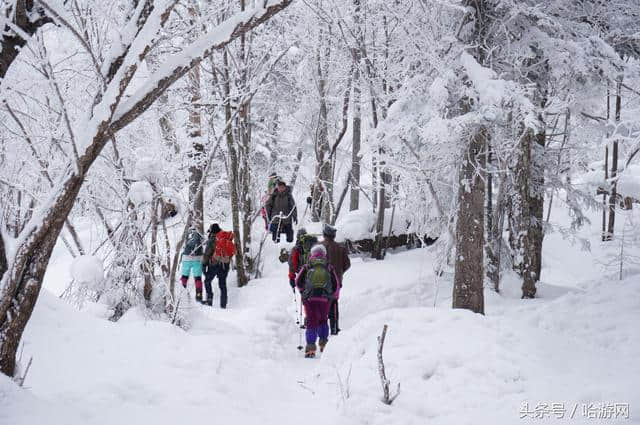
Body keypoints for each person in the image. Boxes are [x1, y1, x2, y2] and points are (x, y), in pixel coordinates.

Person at [295, 245, 339, 358]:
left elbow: (298, 281)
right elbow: (336, 284)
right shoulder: (328, 267)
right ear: (324, 254)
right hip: (325, 299)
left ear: (312, 253)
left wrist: (303, 292)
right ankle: (324, 344)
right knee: (323, 320)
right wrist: (332, 296)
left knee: (311, 321)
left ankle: (310, 348)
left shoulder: (307, 266)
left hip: (310, 299)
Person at [321, 223, 350, 335]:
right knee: (333, 304)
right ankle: (334, 328)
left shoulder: (318, 247)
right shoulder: (340, 248)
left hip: (319, 282)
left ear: (324, 234)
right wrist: (339, 272)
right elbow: (347, 264)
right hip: (336, 282)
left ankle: (321, 330)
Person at [202, 223, 234, 308]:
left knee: (207, 281)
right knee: (222, 284)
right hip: (225, 264)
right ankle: (223, 305)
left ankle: (209, 301)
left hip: (214, 264)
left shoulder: (212, 239)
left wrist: (204, 265)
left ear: (212, 231)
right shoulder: (225, 237)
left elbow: (207, 254)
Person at [181, 226, 204, 302]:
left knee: (184, 276)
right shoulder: (199, 234)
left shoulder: (187, 234)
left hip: (186, 258)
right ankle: (199, 295)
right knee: (197, 278)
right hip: (197, 259)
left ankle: (181, 293)